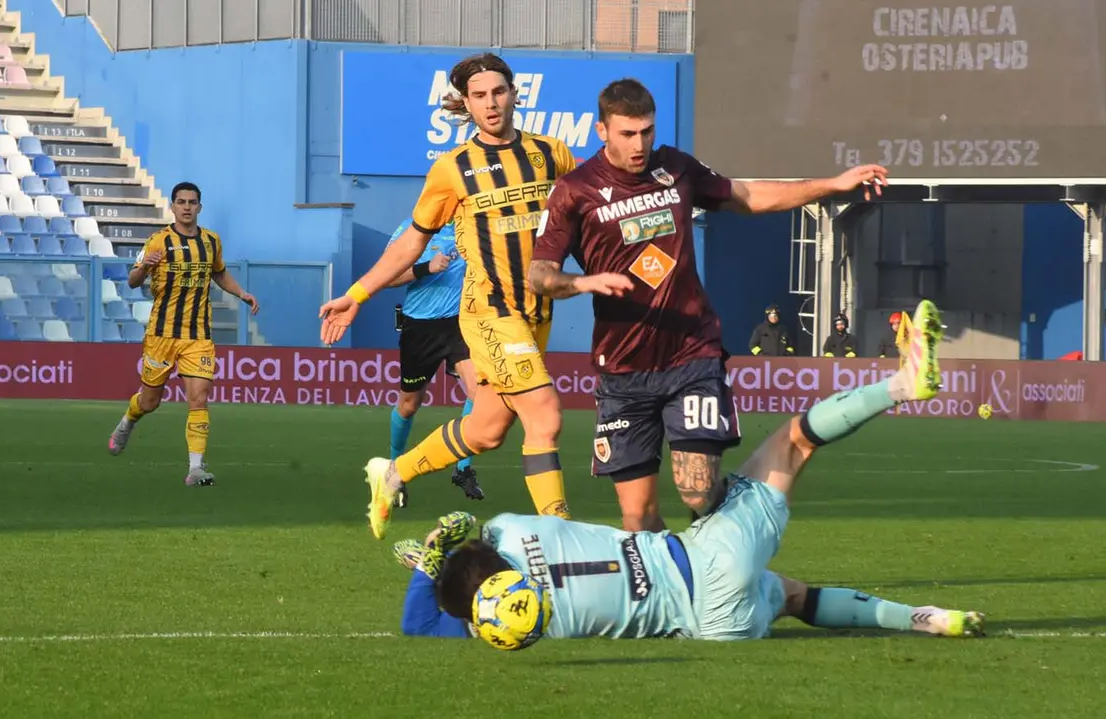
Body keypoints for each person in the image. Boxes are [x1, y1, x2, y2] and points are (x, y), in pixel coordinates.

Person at [431, 300, 985, 643]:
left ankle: (925, 618)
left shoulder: (526, 626)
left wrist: (439, 579)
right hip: (703, 560)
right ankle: (903, 384)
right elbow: (482, 544)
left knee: (795, 598)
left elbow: (444, 613)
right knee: (794, 442)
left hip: (714, 627)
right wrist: (443, 545)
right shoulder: (511, 530)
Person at [528, 78, 890, 533]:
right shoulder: (574, 190)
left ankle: (737, 540)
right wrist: (583, 282)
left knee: (697, 490)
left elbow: (748, 196)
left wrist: (832, 185)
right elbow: (539, 274)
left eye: (647, 131)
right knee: (637, 516)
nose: (639, 144)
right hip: (623, 369)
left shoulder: (676, 168)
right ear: (602, 131)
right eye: (627, 133)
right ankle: (677, 577)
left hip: (691, 354)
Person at [319, 53, 579, 539]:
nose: (491, 103)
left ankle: (392, 473)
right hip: (489, 313)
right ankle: (561, 541)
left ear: (514, 94)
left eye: (498, 92)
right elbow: (411, 244)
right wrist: (358, 294)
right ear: (468, 104)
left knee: (486, 430)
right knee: (544, 415)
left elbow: (585, 215)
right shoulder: (453, 168)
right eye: (479, 96)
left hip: (536, 313)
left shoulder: (552, 154)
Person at [106, 182, 259, 486]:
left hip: (198, 335)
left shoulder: (211, 241)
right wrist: (144, 267)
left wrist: (241, 293)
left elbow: (218, 271)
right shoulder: (158, 241)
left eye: (192, 202)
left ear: (199, 206)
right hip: (162, 335)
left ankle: (195, 468)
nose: (187, 207)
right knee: (149, 402)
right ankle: (128, 420)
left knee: (199, 398)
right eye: (181, 202)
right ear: (173, 206)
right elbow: (133, 281)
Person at [382, 217, 484, 507]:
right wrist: (426, 267)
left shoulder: (471, 226)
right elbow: (387, 277)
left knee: (480, 393)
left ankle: (463, 469)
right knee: (408, 405)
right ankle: (394, 468)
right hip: (420, 328)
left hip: (459, 324)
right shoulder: (411, 230)